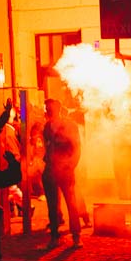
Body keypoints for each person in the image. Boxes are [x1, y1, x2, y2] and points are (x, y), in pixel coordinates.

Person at [42, 98, 82, 250]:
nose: (48, 110)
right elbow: (46, 146)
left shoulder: (69, 125)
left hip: (65, 169)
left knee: (71, 203)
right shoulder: (47, 126)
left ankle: (76, 236)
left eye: (50, 108)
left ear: (58, 108)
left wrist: (71, 165)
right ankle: (54, 237)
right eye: (47, 108)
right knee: (52, 206)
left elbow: (77, 147)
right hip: (50, 169)